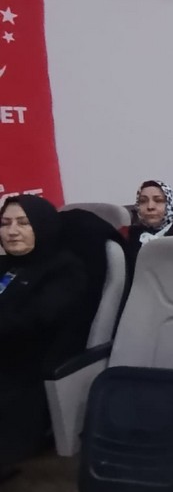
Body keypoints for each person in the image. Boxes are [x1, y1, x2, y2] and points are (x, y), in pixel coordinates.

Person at [0, 196, 93, 469]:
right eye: (5, 223)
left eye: (23, 223)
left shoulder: (65, 269)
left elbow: (35, 321)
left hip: (28, 370)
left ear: (43, 225)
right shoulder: (7, 265)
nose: (12, 231)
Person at [119, 180, 173, 274]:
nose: (150, 207)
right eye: (143, 201)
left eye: (158, 200)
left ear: (170, 204)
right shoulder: (125, 234)